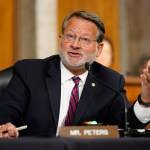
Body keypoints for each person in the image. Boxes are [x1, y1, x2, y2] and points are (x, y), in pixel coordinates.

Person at [0, 11, 150, 138]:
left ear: (99, 49)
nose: (75, 45)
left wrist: (145, 99)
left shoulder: (110, 81)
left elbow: (126, 129)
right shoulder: (29, 72)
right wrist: (5, 127)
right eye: (70, 36)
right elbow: (6, 114)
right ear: (61, 40)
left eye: (85, 39)